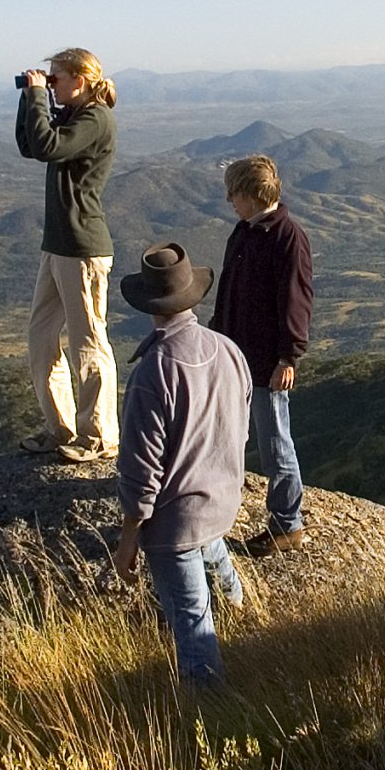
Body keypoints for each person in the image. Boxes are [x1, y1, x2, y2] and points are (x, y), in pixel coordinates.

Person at [111, 243, 250, 683]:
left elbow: (141, 467)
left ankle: (210, 718)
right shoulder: (228, 350)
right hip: (222, 504)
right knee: (218, 570)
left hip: (175, 525)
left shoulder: (153, 372)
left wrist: (129, 535)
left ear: (149, 305)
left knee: (193, 630)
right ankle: (247, 617)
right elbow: (239, 425)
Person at [14, 48, 119, 460]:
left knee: (88, 343)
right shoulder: (75, 116)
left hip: (83, 249)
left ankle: (98, 436)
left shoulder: (95, 119)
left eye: (55, 78)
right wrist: (29, 98)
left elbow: (47, 147)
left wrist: (39, 97)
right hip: (57, 246)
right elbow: (29, 144)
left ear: (80, 79)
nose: (51, 84)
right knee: (41, 339)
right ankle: (60, 428)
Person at [210, 153, 313, 554]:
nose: (229, 201)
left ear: (252, 195)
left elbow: (296, 301)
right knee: (229, 434)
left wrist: (289, 357)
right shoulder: (245, 231)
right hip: (234, 355)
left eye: (233, 193)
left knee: (275, 442)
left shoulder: (288, 238)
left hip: (267, 361)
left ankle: (288, 522)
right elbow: (228, 294)